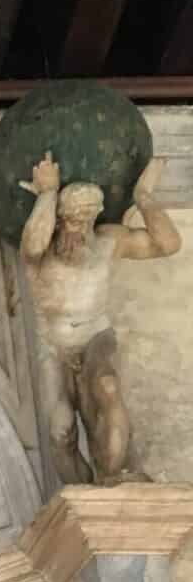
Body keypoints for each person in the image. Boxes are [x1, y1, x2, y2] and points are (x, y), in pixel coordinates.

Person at [17, 152, 180, 483]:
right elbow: (32, 244)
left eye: (88, 218)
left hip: (95, 336)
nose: (80, 226)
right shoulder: (42, 251)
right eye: (74, 218)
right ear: (59, 218)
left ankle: (116, 475)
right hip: (54, 346)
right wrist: (48, 193)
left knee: (108, 386)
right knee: (61, 430)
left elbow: (168, 244)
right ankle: (81, 498)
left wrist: (143, 197)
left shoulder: (109, 242)